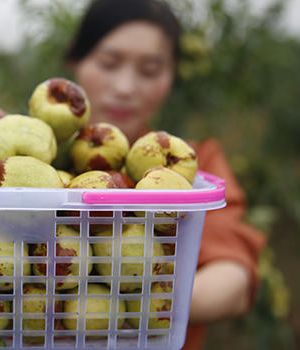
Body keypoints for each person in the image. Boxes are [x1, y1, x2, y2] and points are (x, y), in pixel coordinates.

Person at [65, 0, 266, 349]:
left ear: (172, 76)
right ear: (76, 63)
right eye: (109, 63)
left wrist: (119, 309)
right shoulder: (37, 163)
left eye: (150, 70)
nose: (126, 87)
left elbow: (232, 280)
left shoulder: (195, 164)